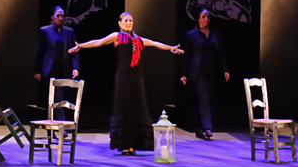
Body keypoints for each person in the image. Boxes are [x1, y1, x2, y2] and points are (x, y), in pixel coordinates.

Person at [69, 12, 183, 155]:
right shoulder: (117, 37)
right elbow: (98, 42)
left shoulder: (137, 39)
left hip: (137, 76)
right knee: (124, 107)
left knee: (136, 107)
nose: (129, 23)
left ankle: (134, 145)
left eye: (131, 21)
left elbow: (154, 43)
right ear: (120, 23)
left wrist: (170, 48)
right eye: (126, 20)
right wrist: (81, 46)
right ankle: (125, 145)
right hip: (123, 76)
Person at [179, 9, 229, 140]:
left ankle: (198, 128)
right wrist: (184, 74)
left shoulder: (215, 35)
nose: (206, 19)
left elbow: (220, 54)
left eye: (208, 17)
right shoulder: (191, 35)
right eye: (203, 16)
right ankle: (207, 128)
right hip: (197, 72)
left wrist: (225, 69)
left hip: (211, 72)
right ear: (198, 19)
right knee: (204, 98)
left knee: (204, 99)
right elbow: (187, 56)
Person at [34, 6, 79, 120]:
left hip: (64, 69)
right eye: (58, 15)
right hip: (49, 70)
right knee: (56, 97)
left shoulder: (69, 32)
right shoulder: (45, 30)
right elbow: (40, 52)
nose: (60, 18)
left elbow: (74, 51)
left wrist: (75, 67)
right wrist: (37, 70)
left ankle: (53, 124)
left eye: (62, 16)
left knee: (59, 98)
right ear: (52, 17)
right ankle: (61, 122)